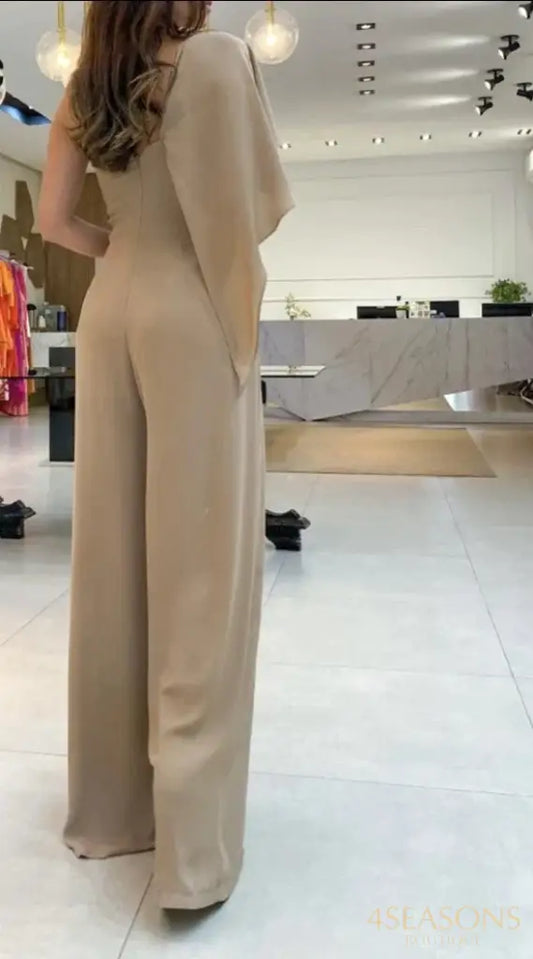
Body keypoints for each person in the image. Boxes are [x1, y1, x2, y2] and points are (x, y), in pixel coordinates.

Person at [38, 0, 293, 910]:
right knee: (201, 572)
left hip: (109, 313)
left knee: (112, 564)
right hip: (190, 313)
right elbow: (247, 215)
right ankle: (191, 853)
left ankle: (114, 810)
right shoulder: (216, 58)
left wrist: (124, 251)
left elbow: (55, 221)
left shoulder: (85, 82)